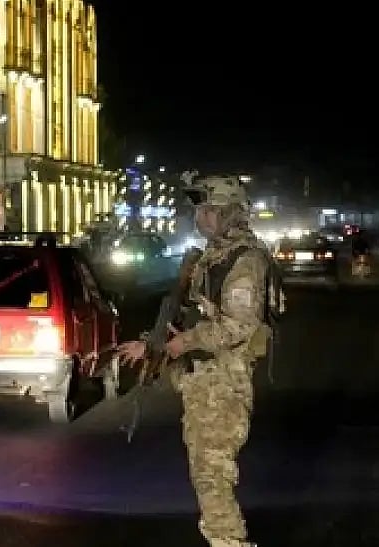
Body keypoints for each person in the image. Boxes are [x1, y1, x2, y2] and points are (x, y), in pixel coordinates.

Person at [118, 175, 281, 547]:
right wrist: (153, 345)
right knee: (205, 471)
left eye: (208, 211)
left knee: (213, 473)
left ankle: (229, 542)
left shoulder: (244, 260)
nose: (201, 218)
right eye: (199, 211)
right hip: (205, 380)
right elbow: (190, 316)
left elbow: (238, 325)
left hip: (223, 381)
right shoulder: (213, 257)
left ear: (229, 213)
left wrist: (184, 344)